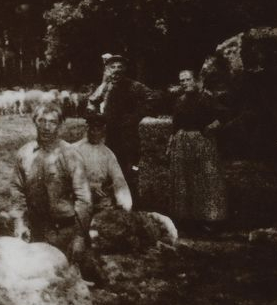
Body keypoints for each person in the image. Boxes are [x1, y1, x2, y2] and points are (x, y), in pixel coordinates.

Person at [8, 103, 93, 268]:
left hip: (64, 231)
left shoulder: (70, 155)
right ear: (34, 122)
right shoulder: (24, 154)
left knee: (67, 281)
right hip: (35, 230)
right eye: (41, 121)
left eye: (52, 122)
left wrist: (80, 236)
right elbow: (17, 190)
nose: (46, 127)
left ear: (60, 124)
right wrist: (19, 222)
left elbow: (84, 199)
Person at [86, 53, 156, 206]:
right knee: (108, 169)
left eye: (119, 67)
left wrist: (136, 116)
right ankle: (112, 203)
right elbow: (91, 102)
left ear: (125, 69)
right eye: (113, 67)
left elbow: (152, 97)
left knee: (129, 171)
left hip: (128, 137)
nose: (116, 70)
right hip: (109, 135)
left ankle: (133, 205)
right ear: (108, 70)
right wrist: (97, 116)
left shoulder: (134, 86)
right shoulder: (105, 87)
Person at [167, 69, 227, 228]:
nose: (184, 83)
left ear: (195, 81)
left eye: (187, 80)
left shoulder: (206, 98)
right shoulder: (180, 100)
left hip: (202, 141)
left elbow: (222, 116)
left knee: (205, 178)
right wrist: (172, 140)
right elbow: (175, 123)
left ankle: (209, 220)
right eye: (181, 81)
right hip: (182, 142)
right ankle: (186, 219)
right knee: (184, 179)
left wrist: (213, 126)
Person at [70, 111, 132, 215]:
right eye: (92, 129)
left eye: (98, 130)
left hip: (101, 198)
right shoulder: (75, 149)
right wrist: (89, 186)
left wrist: (126, 205)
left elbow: (119, 180)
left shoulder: (108, 154)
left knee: (108, 218)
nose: (94, 133)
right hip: (79, 196)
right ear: (87, 129)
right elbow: (67, 178)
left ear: (103, 131)